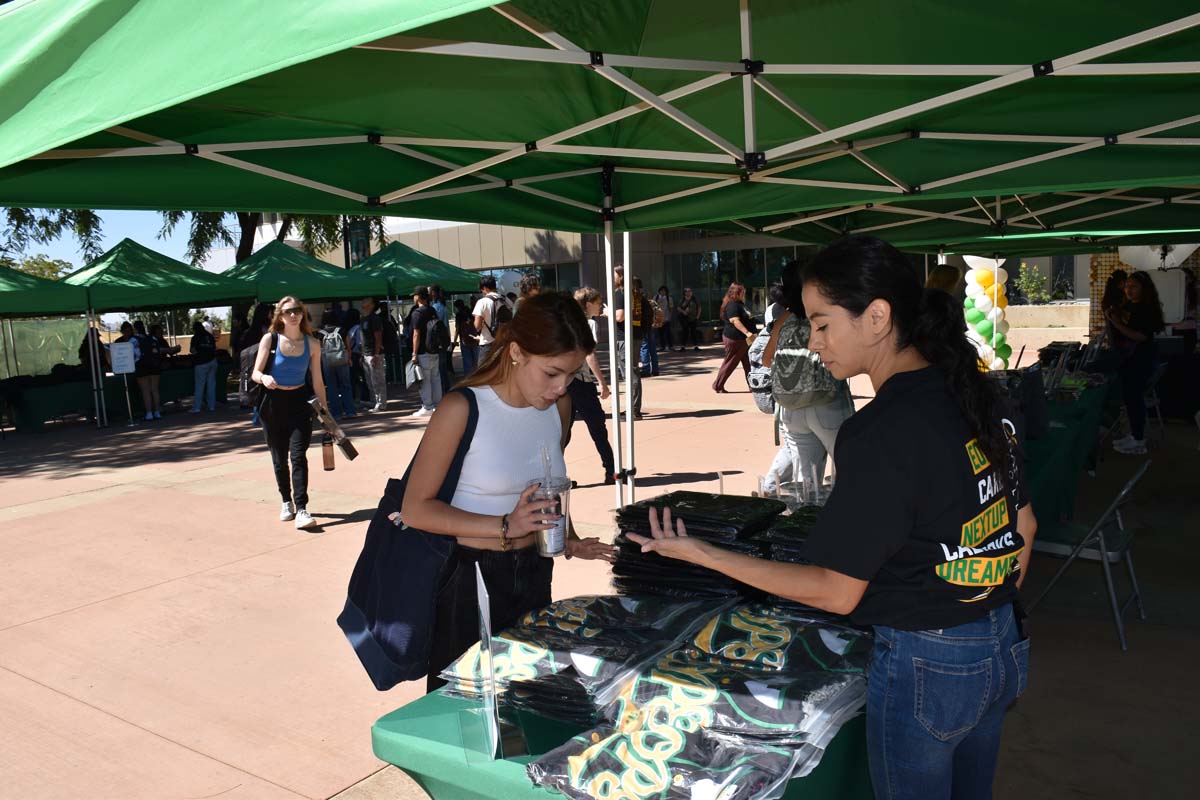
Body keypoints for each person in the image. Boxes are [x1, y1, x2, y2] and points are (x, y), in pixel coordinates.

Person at [628, 235, 1037, 800]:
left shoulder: (879, 431)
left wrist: (704, 553)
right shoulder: (979, 394)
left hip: (932, 660)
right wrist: (982, 605)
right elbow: (1025, 529)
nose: (813, 342)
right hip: (1001, 642)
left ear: (876, 317)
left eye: (822, 324)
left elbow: (836, 591)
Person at [399, 292, 616, 693]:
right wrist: (505, 525)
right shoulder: (462, 407)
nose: (560, 387)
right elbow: (415, 509)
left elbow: (543, 479)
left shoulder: (558, 407)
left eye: (571, 376)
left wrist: (567, 539)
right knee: (467, 709)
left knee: (527, 700)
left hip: (534, 573)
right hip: (470, 580)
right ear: (517, 352)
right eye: (552, 373)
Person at [761, 262, 854, 491]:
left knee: (806, 482)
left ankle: (806, 520)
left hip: (791, 407)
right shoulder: (826, 315)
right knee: (851, 468)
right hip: (826, 401)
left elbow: (765, 359)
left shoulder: (784, 318)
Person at [251, 296, 328, 531]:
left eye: (296, 311)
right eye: (287, 312)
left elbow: (317, 380)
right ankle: (286, 501)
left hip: (299, 401)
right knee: (278, 457)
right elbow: (255, 372)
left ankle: (302, 508)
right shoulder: (270, 339)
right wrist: (264, 377)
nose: (293, 315)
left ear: (303, 313)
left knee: (298, 455)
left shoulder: (313, 344)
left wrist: (325, 413)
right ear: (280, 316)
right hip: (272, 403)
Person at [1107, 271, 1165, 455]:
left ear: (1144, 289)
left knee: (1135, 399)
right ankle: (1134, 435)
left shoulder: (1146, 309)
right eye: (1127, 286)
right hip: (1128, 359)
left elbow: (1140, 336)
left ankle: (1138, 440)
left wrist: (1116, 322)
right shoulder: (1129, 305)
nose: (1128, 290)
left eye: (1133, 287)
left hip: (1141, 360)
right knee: (1130, 399)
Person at [567, 287, 616, 485]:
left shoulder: (566, 322)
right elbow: (590, 355)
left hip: (563, 383)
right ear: (588, 304)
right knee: (597, 428)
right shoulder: (588, 323)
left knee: (562, 433)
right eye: (598, 302)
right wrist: (603, 383)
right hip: (581, 383)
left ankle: (556, 476)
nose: (600, 305)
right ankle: (611, 470)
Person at [612, 266, 645, 420]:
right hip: (636, 334)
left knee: (630, 373)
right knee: (633, 372)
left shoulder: (621, 294)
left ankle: (633, 410)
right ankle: (634, 408)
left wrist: (606, 313)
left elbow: (619, 317)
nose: (612, 277)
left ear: (620, 276)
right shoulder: (635, 293)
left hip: (625, 337)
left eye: (614, 274)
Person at [712, 282, 756, 393]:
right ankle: (718, 385)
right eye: (742, 291)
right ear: (737, 293)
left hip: (744, 340)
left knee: (748, 362)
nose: (744, 293)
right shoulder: (733, 305)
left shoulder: (740, 304)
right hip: (736, 339)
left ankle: (753, 385)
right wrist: (747, 333)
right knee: (731, 362)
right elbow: (735, 321)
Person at [409, 287, 444, 418]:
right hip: (434, 349)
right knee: (436, 378)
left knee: (425, 380)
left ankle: (427, 406)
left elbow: (416, 334)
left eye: (414, 295)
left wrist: (414, 352)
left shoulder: (417, 313)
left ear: (418, 297)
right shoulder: (432, 310)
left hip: (423, 351)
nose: (413, 297)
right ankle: (437, 405)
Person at [319, 315, 356, 419]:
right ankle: (350, 411)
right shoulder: (342, 330)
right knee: (346, 386)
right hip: (342, 360)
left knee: (331, 388)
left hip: (328, 363)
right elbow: (348, 346)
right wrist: (349, 359)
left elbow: (319, 350)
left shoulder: (321, 333)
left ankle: (336, 414)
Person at [472, 275, 513, 364]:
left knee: (483, 374)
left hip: (488, 344)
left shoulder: (482, 302)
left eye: (482, 290)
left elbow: (477, 326)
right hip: (504, 343)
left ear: (485, 288)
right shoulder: (506, 299)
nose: (482, 292)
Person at [359, 297, 388, 412]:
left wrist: (376, 354)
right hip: (366, 353)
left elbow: (378, 337)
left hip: (374, 353)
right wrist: (362, 354)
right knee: (370, 380)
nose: (363, 301)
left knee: (377, 380)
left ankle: (381, 403)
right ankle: (375, 401)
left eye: (366, 300)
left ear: (371, 305)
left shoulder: (374, 319)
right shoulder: (363, 318)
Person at [189, 319, 218, 413]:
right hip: (213, 361)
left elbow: (192, 350)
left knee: (199, 386)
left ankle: (197, 407)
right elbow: (214, 348)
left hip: (201, 363)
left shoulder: (195, 337)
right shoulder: (210, 336)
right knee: (211, 384)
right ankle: (212, 406)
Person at [429, 283, 453, 390]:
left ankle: (443, 391)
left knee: (440, 369)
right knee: (443, 368)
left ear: (433, 293)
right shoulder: (442, 306)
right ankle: (446, 390)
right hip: (444, 341)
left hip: (439, 342)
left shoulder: (435, 308)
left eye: (429, 291)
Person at [637, 278, 661, 377]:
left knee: (644, 348)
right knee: (652, 348)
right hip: (652, 326)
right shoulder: (653, 302)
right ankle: (655, 369)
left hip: (643, 327)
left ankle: (646, 369)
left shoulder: (640, 303)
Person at [454, 298, 480, 375]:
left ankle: (469, 380)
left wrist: (455, 340)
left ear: (457, 307)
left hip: (464, 340)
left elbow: (457, 329)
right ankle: (478, 377)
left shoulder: (459, 315)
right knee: (476, 360)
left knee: (467, 361)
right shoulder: (471, 313)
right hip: (475, 339)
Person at [654, 285, 674, 353]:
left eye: (664, 291)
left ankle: (670, 346)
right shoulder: (656, 297)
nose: (663, 292)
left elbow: (671, 308)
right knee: (660, 333)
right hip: (658, 318)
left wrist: (670, 316)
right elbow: (653, 306)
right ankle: (662, 346)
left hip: (666, 317)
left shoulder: (669, 298)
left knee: (667, 332)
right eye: (661, 291)